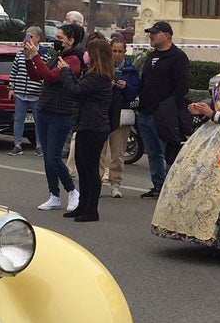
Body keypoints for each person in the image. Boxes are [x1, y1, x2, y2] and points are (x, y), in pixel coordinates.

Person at [152, 47, 220, 248]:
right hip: (209, 135)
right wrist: (200, 110)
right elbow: (213, 109)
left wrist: (212, 114)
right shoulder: (218, 85)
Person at [25, 22, 88, 213]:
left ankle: (72, 191)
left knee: (53, 157)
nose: (55, 41)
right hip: (45, 109)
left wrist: (36, 55)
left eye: (60, 38)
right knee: (47, 157)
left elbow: (51, 76)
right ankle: (53, 194)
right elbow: (37, 75)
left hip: (61, 112)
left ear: (71, 39)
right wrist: (30, 58)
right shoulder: (59, 57)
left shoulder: (74, 60)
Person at [57, 35, 115, 223]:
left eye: (89, 51)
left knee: (90, 168)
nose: (86, 54)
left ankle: (91, 209)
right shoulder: (93, 74)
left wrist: (65, 72)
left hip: (94, 127)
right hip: (87, 125)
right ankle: (83, 205)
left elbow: (75, 91)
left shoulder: (98, 77)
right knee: (82, 166)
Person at [135, 20, 191, 199]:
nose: (151, 36)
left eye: (155, 33)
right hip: (146, 112)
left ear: (167, 35)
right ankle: (158, 185)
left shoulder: (178, 57)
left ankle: (170, 188)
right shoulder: (151, 56)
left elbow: (182, 87)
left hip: (164, 115)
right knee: (152, 152)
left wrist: (169, 107)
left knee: (167, 152)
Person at [104, 35, 141, 197]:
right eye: (114, 51)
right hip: (104, 113)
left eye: (120, 51)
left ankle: (115, 184)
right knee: (100, 152)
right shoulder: (103, 67)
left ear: (125, 52)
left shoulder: (131, 70)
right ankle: (97, 182)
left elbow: (135, 93)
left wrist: (126, 87)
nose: (117, 54)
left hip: (122, 114)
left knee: (118, 153)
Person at [8, 28, 41, 154]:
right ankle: (17, 144)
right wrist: (11, 87)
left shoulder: (43, 53)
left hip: (36, 92)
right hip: (21, 91)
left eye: (31, 37)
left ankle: (39, 145)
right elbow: (14, 72)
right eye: (26, 37)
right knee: (18, 119)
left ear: (37, 38)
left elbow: (44, 71)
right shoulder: (20, 54)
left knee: (39, 120)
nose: (27, 40)